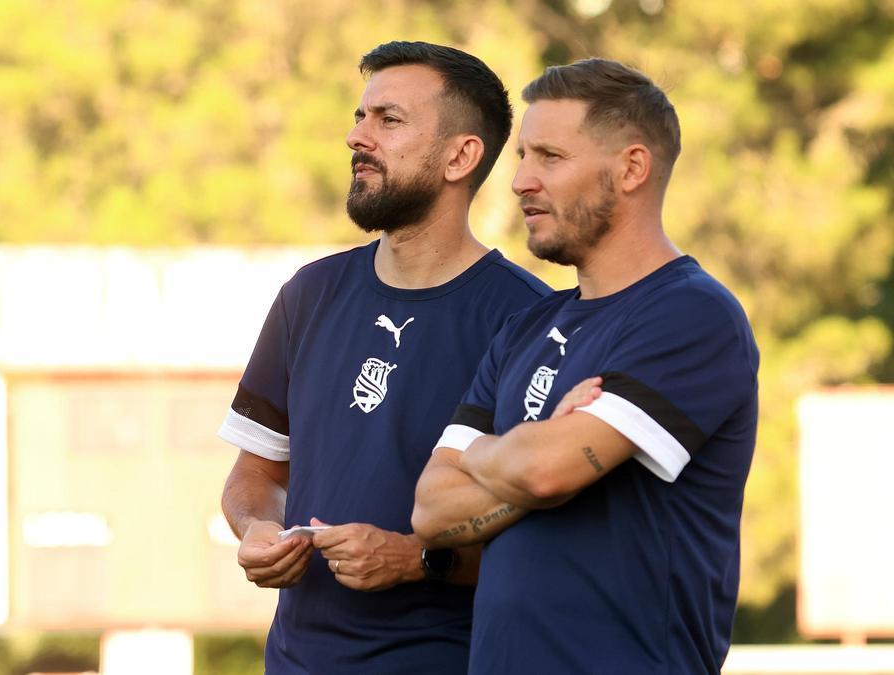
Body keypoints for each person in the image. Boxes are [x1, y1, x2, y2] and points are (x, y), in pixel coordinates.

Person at [412, 57, 760, 674]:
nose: (520, 180)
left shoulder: (692, 315)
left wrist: (495, 457)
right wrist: (529, 457)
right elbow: (433, 511)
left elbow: (545, 472)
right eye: (521, 156)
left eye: (548, 156)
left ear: (630, 168)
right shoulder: (525, 328)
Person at [217, 41, 550, 673]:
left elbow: (548, 538)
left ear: (461, 156)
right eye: (359, 115)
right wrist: (256, 529)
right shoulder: (308, 295)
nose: (356, 136)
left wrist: (415, 558)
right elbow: (255, 475)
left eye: (387, 120)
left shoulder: (531, 321)